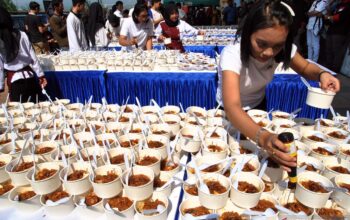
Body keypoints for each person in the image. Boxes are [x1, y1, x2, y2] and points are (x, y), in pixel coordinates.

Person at [217, 0, 340, 170]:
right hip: (231, 113)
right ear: (248, 33)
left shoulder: (282, 49)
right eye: (261, 44)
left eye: (277, 46)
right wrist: (264, 137)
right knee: (235, 157)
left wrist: (321, 74)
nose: (268, 52)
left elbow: (304, 67)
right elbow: (232, 106)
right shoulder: (232, 53)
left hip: (258, 107)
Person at [0, 7, 47, 102]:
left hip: (15, 83)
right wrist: (41, 75)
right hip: (30, 78)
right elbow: (33, 58)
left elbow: (0, 67)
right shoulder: (22, 34)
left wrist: (1, 86)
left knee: (21, 113)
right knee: (35, 109)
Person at [324, 0, 350, 72]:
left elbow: (340, 17)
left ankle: (334, 70)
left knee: (336, 51)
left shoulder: (348, 5)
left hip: (340, 32)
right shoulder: (338, 5)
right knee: (328, 49)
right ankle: (328, 68)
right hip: (331, 30)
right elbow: (330, 15)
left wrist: (329, 17)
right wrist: (329, 7)